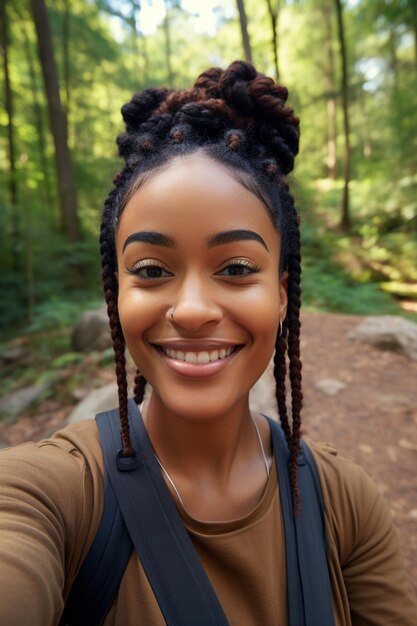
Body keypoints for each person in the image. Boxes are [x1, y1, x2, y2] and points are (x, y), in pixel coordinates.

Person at [0, 60, 416, 626]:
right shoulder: (54, 494)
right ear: (115, 292)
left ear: (282, 294)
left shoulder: (344, 502)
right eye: (149, 270)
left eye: (238, 267)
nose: (193, 310)